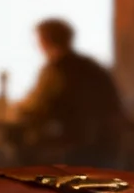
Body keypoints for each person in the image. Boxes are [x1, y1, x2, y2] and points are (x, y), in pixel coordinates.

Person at [15, 19, 126, 168]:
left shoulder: (58, 69)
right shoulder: (90, 66)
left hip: (77, 147)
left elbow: (41, 106)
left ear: (44, 41)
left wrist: (20, 110)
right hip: (105, 146)